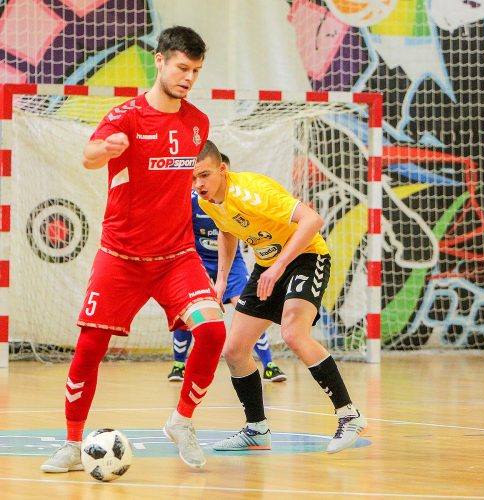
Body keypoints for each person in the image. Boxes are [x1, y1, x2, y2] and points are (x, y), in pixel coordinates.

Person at [41, 26, 226, 471]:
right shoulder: (124, 117)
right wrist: (106, 148)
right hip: (121, 257)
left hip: (177, 258)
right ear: (159, 61)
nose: (188, 78)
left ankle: (181, 421)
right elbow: (89, 155)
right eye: (182, 68)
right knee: (89, 347)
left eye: (196, 71)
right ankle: (71, 443)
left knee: (213, 332)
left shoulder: (198, 123)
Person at [192, 140, 367, 453]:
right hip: (268, 265)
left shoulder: (251, 192)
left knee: (293, 333)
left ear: (222, 169)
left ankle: (349, 415)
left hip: (306, 257)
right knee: (234, 350)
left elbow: (312, 220)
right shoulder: (206, 201)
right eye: (193, 178)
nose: (199, 184)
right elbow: (227, 231)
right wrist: (220, 284)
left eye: (204, 175)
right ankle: (256, 430)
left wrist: (280, 266)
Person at [168, 154, 287, 384]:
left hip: (232, 263)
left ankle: (269, 364)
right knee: (189, 306)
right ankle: (178, 364)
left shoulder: (240, 196)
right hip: (199, 259)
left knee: (249, 307)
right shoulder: (195, 200)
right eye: (201, 176)